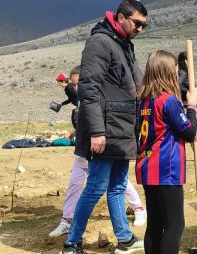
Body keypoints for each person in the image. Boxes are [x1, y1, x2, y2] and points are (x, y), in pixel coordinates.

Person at [59, 0, 148, 254]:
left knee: (118, 185)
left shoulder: (122, 44)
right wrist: (97, 131)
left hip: (122, 128)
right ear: (120, 17)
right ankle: (71, 244)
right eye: (137, 23)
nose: (140, 29)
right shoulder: (100, 43)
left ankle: (124, 238)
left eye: (144, 25)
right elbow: (89, 89)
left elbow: (134, 84)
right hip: (105, 130)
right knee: (96, 185)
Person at [49, 66, 147, 238]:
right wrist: (76, 132)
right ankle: (67, 219)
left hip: (99, 149)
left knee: (117, 183)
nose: (76, 88)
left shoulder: (97, 97)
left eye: (78, 83)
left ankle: (138, 208)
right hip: (83, 149)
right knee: (75, 183)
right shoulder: (81, 98)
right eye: (73, 85)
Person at [136, 50, 197, 254]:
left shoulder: (143, 100)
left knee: (155, 226)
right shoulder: (168, 101)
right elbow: (188, 130)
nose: (177, 72)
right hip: (167, 169)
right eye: (174, 68)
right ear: (166, 71)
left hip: (148, 167)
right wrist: (192, 106)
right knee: (174, 227)